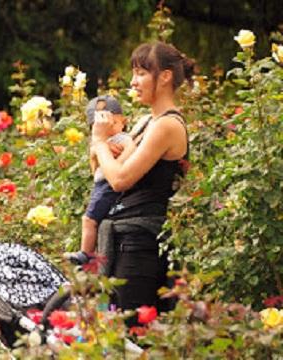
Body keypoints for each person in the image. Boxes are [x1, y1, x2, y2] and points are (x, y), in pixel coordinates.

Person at [90, 41, 194, 323]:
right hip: (126, 239)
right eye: (133, 74)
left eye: (141, 73)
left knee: (130, 335)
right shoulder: (149, 122)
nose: (133, 82)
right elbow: (108, 173)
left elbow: (120, 179)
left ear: (165, 77)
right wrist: (102, 151)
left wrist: (99, 142)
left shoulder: (167, 125)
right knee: (113, 332)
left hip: (141, 245)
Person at [66, 95, 136, 265]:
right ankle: (89, 254)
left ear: (122, 122)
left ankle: (86, 254)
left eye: (110, 123)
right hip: (100, 184)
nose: (106, 129)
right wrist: (98, 151)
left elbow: (131, 151)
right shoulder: (99, 142)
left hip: (108, 185)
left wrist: (114, 162)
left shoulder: (122, 138)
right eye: (98, 126)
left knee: (89, 220)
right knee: (92, 220)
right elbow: (94, 169)